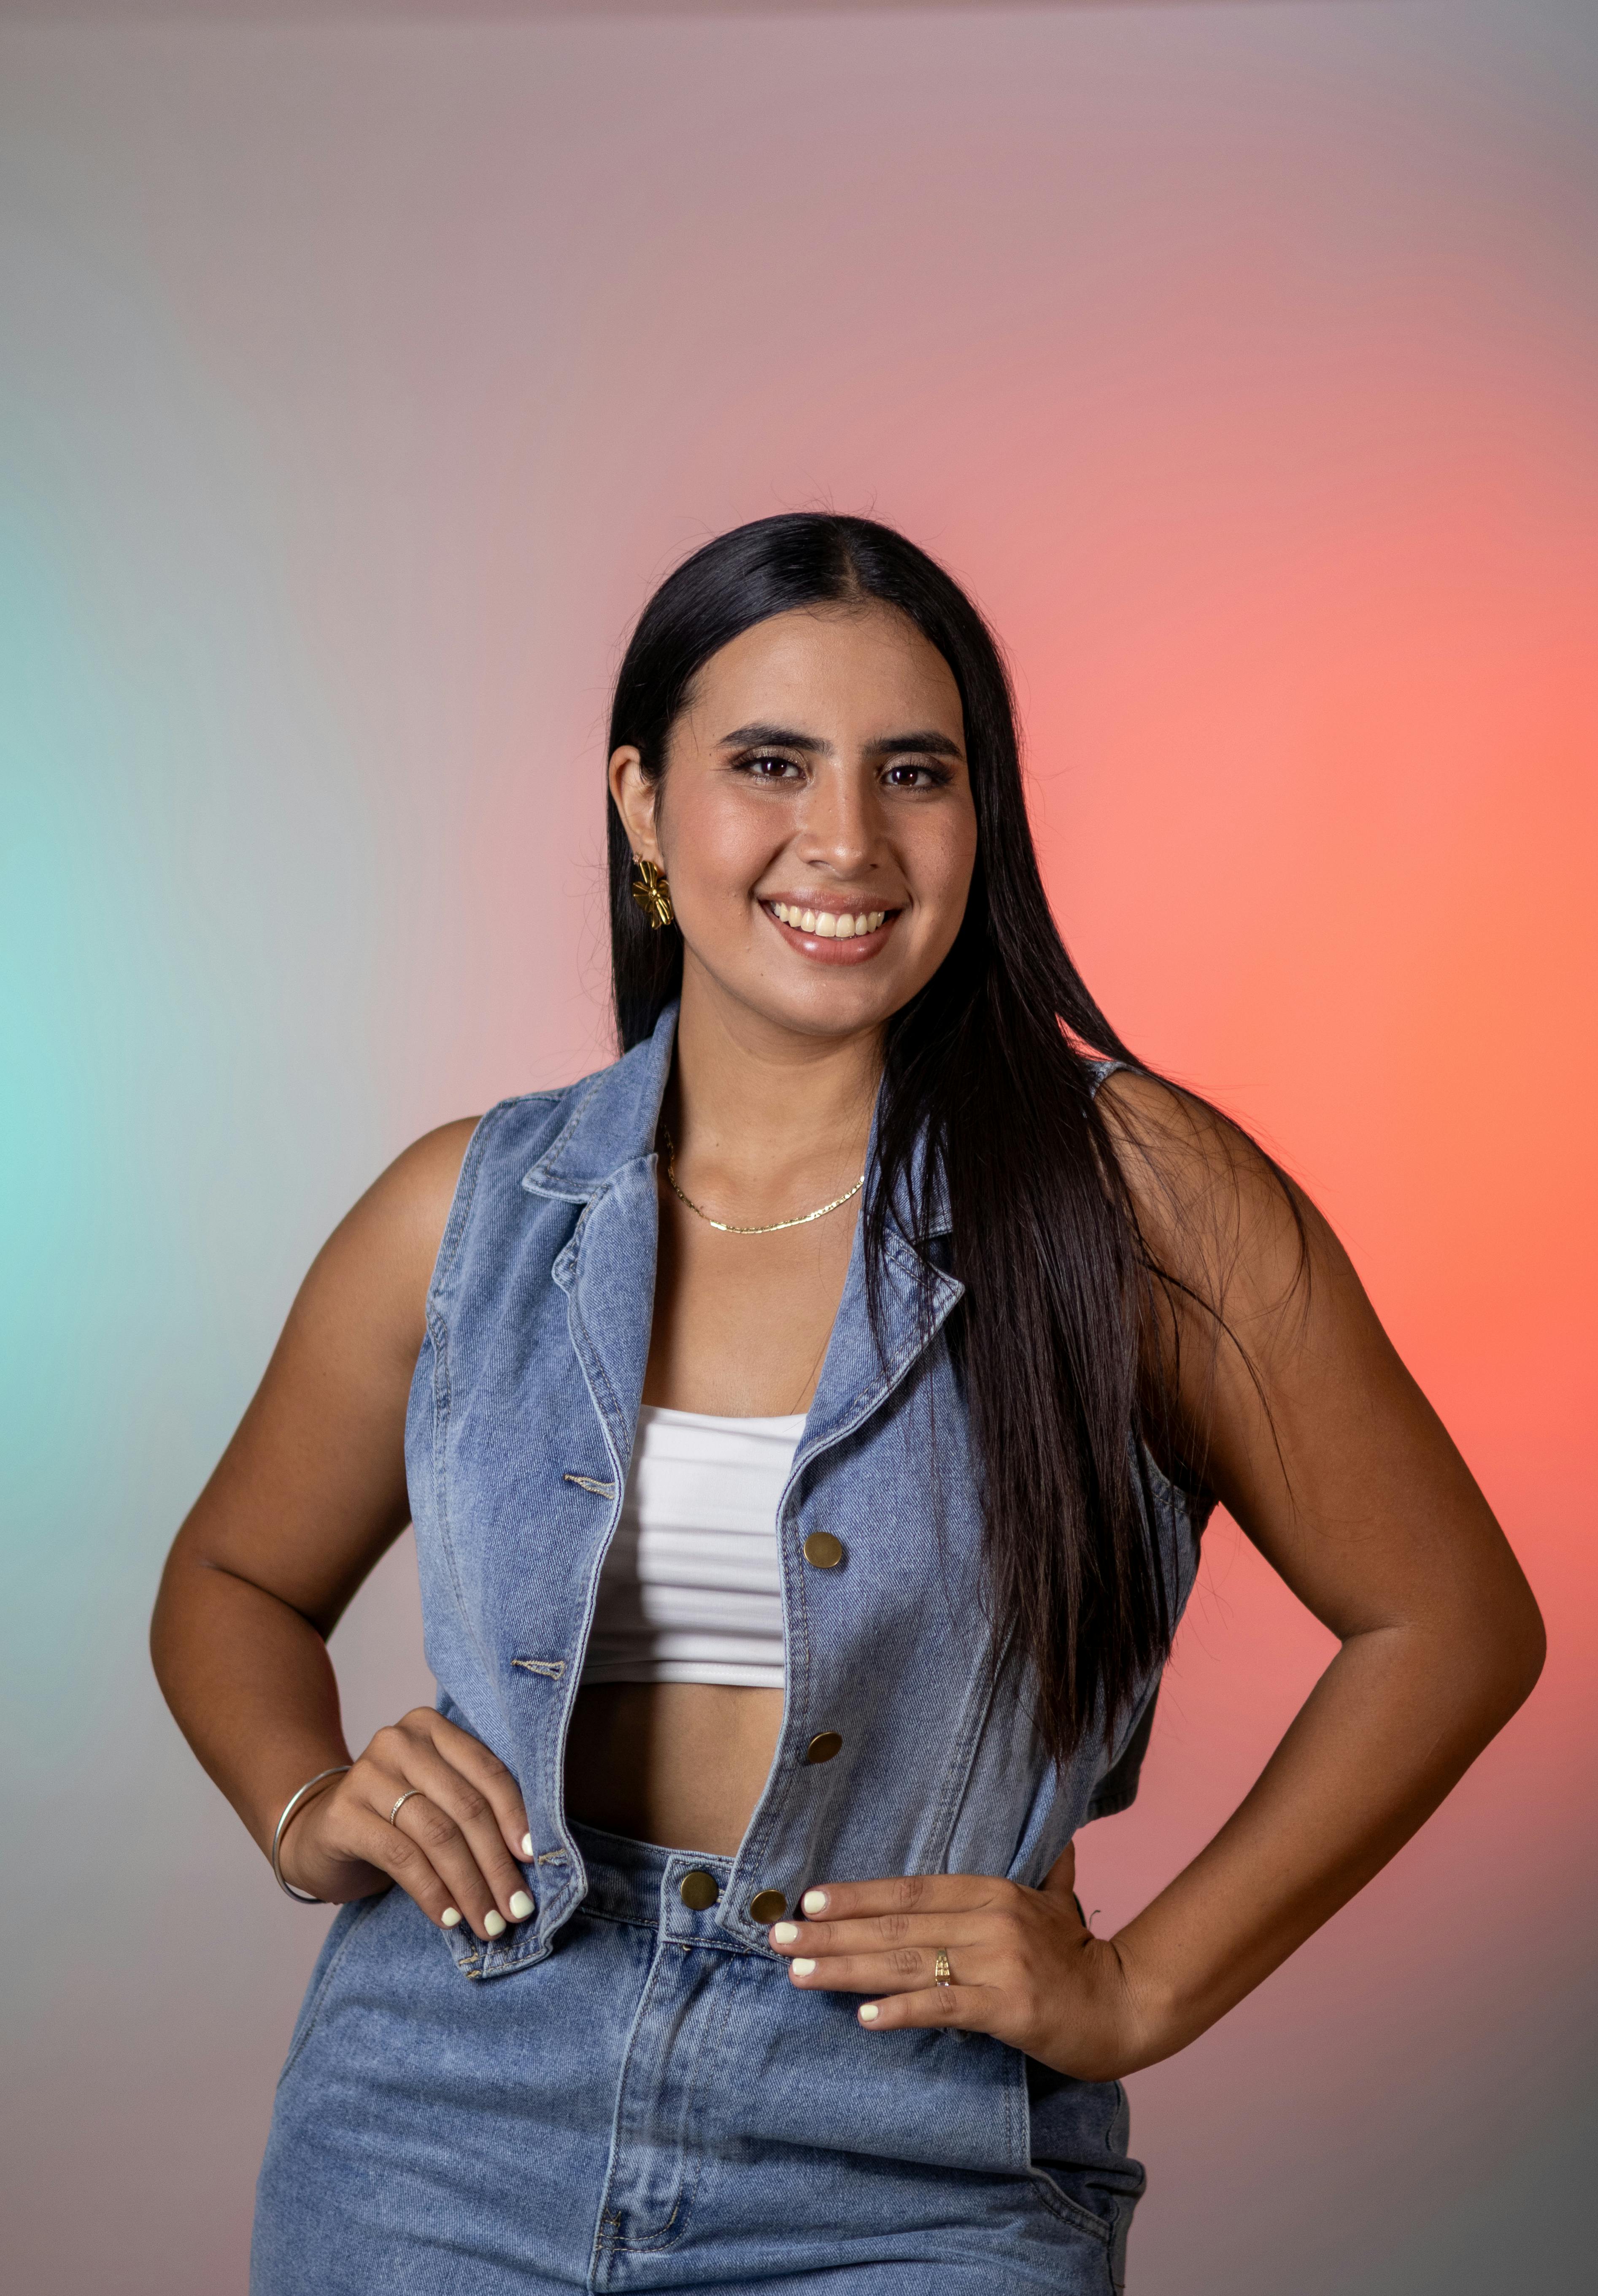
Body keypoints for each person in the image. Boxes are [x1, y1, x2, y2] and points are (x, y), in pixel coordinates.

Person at [152, 513, 1544, 2295]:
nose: (846, 840)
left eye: (913, 771)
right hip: (436, 2124)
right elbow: (231, 1583)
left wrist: (1143, 1982)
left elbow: (1446, 1618)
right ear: (644, 807)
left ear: (982, 815)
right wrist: (301, 1801)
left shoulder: (1136, 1198)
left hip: (910, 2161)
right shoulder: (471, 1210)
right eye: (767, 763)